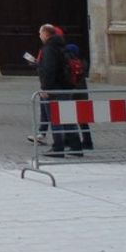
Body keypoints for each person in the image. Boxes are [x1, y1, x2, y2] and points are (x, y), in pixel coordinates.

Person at [37, 23, 82, 157]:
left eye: (40, 33)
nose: (39, 36)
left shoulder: (49, 48)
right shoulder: (62, 46)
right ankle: (76, 146)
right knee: (67, 117)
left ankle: (58, 147)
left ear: (45, 33)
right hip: (66, 87)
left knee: (55, 118)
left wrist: (46, 88)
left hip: (55, 88)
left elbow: (50, 70)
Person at [66, 42, 94, 152]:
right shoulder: (83, 62)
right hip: (82, 92)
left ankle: (70, 140)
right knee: (83, 119)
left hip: (71, 92)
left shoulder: (68, 62)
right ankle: (87, 141)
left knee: (67, 118)